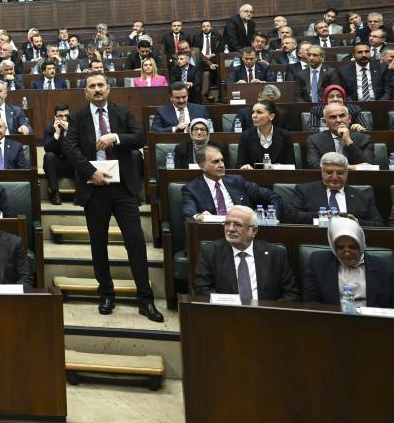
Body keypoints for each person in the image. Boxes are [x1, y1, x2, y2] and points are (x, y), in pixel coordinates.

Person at [61, 74, 162, 321]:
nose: (97, 90)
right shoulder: (77, 116)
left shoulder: (122, 112)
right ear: (85, 92)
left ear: (108, 89)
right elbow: (70, 149)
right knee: (99, 244)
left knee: (135, 242)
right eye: (92, 87)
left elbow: (140, 137)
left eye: (100, 86)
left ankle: (145, 299)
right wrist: (91, 172)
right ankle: (106, 294)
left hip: (124, 188)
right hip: (94, 188)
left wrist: (115, 137)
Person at [193, 205, 298, 302]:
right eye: (227, 223)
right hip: (226, 316)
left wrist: (269, 313)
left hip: (267, 316)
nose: (230, 229)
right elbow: (203, 290)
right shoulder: (210, 252)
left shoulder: (275, 254)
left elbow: (291, 293)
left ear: (254, 230)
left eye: (238, 225)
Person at [303, 218, 394, 309]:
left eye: (352, 247)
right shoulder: (318, 263)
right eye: (340, 247)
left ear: (361, 244)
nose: (347, 252)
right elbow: (311, 303)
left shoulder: (384, 267)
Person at [182, 146, 283, 220]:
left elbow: (273, 196)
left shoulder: (237, 181)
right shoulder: (191, 188)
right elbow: (188, 210)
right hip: (213, 233)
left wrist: (272, 218)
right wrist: (199, 216)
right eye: (215, 162)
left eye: (222, 161)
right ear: (202, 166)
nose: (221, 165)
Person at [287, 153, 385, 226]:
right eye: (329, 172)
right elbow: (291, 216)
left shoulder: (362, 195)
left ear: (347, 173)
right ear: (322, 172)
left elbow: (379, 224)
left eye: (340, 173)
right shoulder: (304, 190)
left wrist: (356, 221)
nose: (334, 177)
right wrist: (323, 215)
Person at [305, 102, 374, 167]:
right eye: (333, 117)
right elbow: (314, 165)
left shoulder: (365, 139)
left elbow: (368, 166)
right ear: (325, 122)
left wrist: (348, 142)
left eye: (342, 116)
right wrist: (350, 167)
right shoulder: (315, 140)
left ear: (349, 119)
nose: (338, 120)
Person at [236, 100, 295, 168]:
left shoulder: (285, 136)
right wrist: (244, 166)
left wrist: (274, 168)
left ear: (271, 116)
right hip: (253, 177)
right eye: (253, 112)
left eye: (259, 112)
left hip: (279, 177)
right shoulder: (245, 136)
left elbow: (291, 165)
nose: (254, 116)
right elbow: (240, 164)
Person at [307, 84, 372, 132]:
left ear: (343, 98)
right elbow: (311, 130)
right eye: (331, 96)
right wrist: (334, 130)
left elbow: (367, 129)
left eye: (339, 96)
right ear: (326, 99)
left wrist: (359, 128)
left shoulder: (353, 109)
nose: (335, 99)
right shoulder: (318, 110)